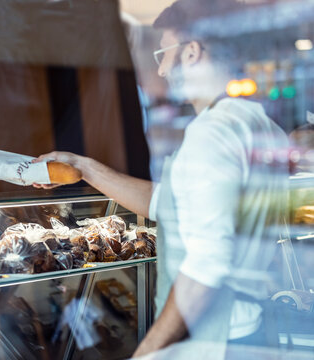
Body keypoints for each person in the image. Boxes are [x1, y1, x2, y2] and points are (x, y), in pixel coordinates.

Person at [34, 0, 289, 358]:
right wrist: (85, 166)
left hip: (218, 339)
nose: (163, 69)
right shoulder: (258, 123)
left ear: (191, 53)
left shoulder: (211, 133)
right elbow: (168, 202)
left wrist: (148, 351)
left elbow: (205, 268)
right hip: (252, 330)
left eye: (163, 54)